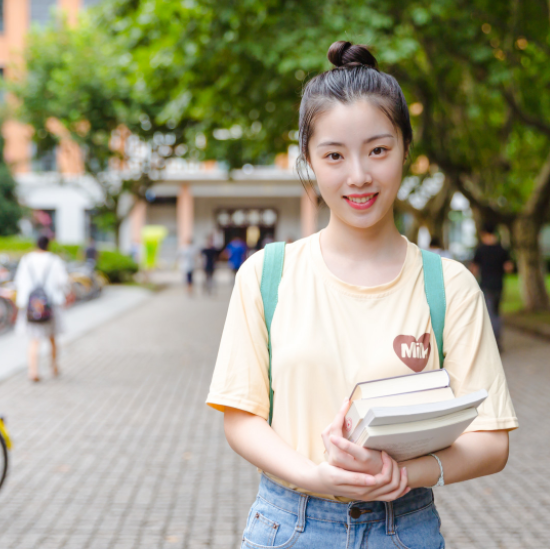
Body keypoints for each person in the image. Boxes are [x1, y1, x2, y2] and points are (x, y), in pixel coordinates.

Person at [206, 41, 518, 548]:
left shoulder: (449, 284)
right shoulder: (268, 274)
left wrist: (408, 473)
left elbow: (492, 441)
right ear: (307, 158)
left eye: (378, 150)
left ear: (405, 151)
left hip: (404, 528)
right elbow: (241, 419)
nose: (359, 176)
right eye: (333, 155)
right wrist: (314, 476)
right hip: (288, 526)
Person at [15, 235, 70, 381]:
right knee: (52, 338)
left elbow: (19, 281)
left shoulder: (26, 260)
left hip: (31, 306)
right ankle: (54, 367)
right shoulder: (54, 260)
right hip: (51, 305)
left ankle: (33, 371)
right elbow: (63, 281)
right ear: (48, 245)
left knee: (34, 340)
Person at [470, 223, 513, 350]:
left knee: (489, 313)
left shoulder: (480, 249)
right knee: (496, 312)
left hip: (485, 285)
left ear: (484, 234)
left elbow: (474, 268)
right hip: (499, 285)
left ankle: (493, 343)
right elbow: (509, 268)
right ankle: (497, 341)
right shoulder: (502, 249)